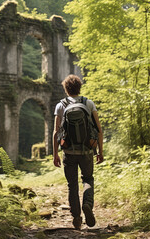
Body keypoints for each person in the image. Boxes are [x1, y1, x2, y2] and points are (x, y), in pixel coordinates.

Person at [53, 74, 104, 230]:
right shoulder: (88, 103)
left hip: (68, 151)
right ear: (79, 87)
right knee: (88, 179)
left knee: (72, 185)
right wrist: (100, 151)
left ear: (66, 89)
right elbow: (98, 130)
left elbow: (56, 132)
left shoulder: (60, 105)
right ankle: (87, 204)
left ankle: (76, 217)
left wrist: (55, 154)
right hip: (87, 150)